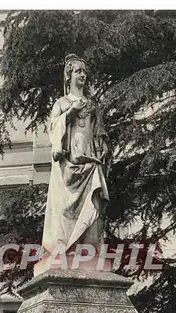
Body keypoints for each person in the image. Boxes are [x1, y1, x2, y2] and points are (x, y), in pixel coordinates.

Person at [41, 53, 110, 264]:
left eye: (85, 72)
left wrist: (103, 146)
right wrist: (71, 112)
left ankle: (88, 250)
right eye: (78, 71)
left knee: (93, 202)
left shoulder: (92, 105)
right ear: (69, 75)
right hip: (68, 164)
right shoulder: (61, 103)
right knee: (64, 209)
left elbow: (99, 132)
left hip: (89, 161)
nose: (83, 75)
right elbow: (53, 128)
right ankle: (66, 249)